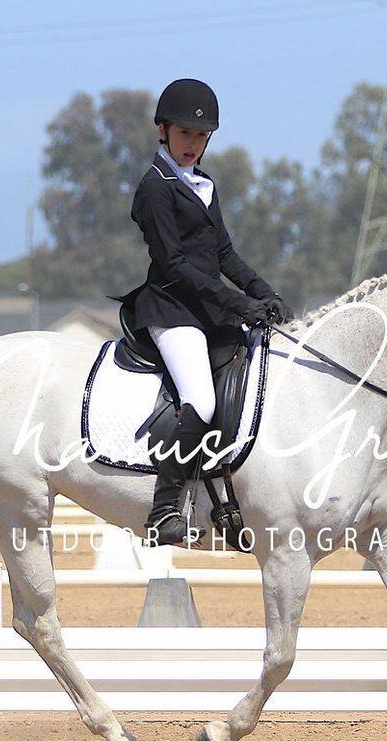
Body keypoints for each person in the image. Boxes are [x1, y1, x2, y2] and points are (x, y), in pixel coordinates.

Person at [110, 78, 294, 547]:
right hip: (172, 310)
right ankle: (164, 508)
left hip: (209, 309)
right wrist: (238, 304)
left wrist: (263, 292)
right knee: (203, 400)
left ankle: (229, 499)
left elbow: (224, 253)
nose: (193, 144)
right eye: (185, 134)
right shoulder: (156, 188)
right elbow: (174, 265)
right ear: (164, 131)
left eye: (201, 136)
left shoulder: (204, 184)